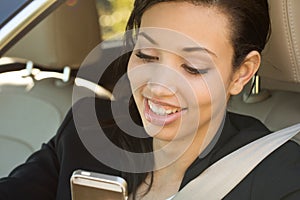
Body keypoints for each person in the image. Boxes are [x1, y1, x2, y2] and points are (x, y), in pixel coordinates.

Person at [1, 0, 300, 199]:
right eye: (146, 55)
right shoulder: (88, 134)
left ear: (241, 73)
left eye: (192, 68)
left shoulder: (283, 178)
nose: (158, 87)